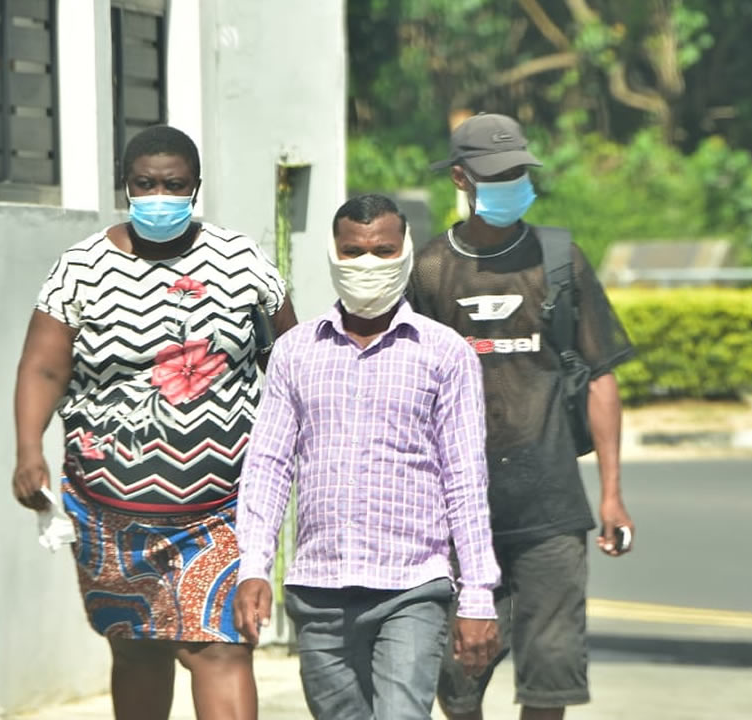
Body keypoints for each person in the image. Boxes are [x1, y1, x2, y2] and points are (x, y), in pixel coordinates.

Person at [12, 124, 297, 720]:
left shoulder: (241, 261)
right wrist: (28, 450)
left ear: (196, 188)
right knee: (138, 647)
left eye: (174, 184)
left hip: (220, 504)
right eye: (145, 183)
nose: (159, 195)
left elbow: (293, 363)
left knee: (219, 646)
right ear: (126, 185)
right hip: (110, 506)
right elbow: (43, 369)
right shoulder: (82, 267)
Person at [232, 194, 502, 720]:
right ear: (333, 255)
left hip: (412, 588)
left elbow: (466, 480)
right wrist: (253, 567)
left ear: (404, 253)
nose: (368, 264)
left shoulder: (445, 353)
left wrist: (477, 596)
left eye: (382, 250)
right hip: (319, 592)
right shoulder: (295, 352)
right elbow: (268, 465)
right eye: (353, 252)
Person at [407, 113, 638, 720]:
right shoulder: (430, 270)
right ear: (461, 177)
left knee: (550, 675)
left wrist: (611, 492)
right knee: (457, 678)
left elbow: (602, 375)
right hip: (454, 511)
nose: (510, 183)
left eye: (517, 172)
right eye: (495, 174)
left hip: (550, 507)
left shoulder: (559, 259)